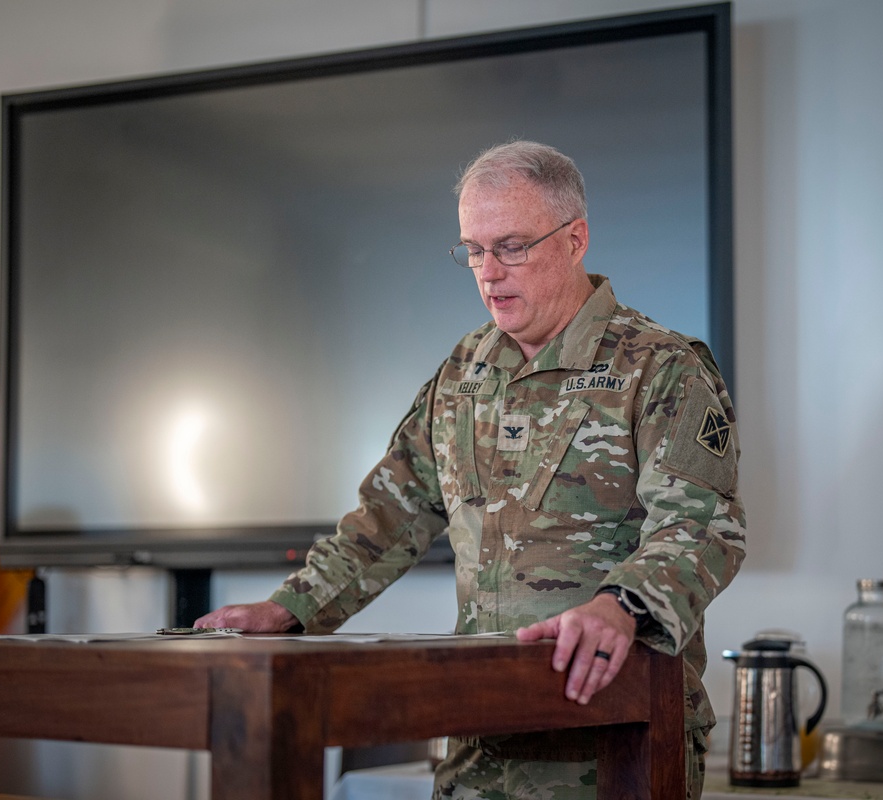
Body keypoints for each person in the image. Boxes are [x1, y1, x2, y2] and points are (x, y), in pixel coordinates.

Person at [196, 140, 746, 799]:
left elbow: (704, 525)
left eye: (512, 246)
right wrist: (291, 610)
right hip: (480, 742)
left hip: (614, 739)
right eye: (474, 249)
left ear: (576, 240)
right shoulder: (466, 371)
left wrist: (620, 606)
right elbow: (389, 515)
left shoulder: (659, 368)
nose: (489, 271)